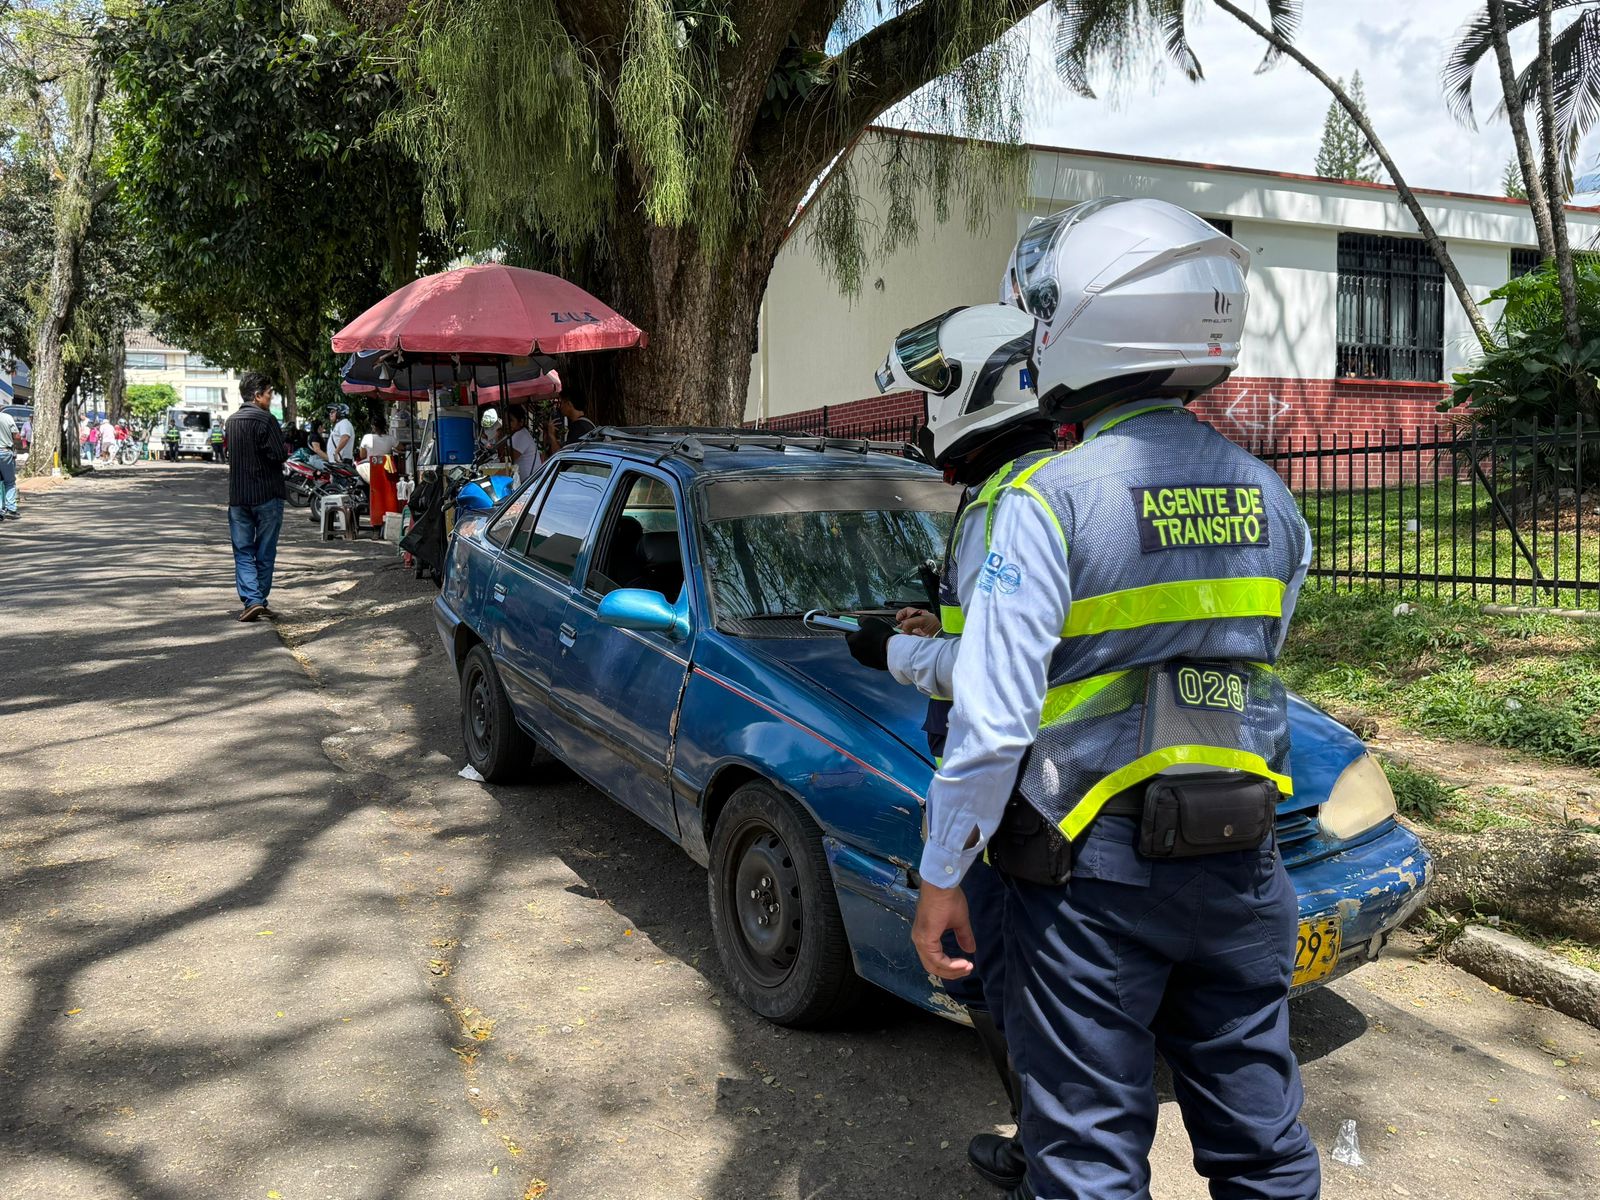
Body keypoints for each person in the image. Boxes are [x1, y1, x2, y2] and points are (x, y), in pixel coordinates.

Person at [881, 199, 1317, 1200]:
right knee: (1261, 1143)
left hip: (1088, 880)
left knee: (1086, 1156)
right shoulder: (1272, 498)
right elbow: (1246, 660)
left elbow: (994, 722)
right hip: (1244, 863)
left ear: (1081, 323)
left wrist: (942, 877)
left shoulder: (1047, 499)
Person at [847, 303, 1054, 1194]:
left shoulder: (1017, 498)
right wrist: (939, 622)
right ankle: (1047, 1144)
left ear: (984, 380)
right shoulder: (1022, 484)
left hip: (1013, 797)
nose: (927, 407)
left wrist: (894, 652)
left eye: (935, 386)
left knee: (1006, 985)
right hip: (1036, 792)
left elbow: (992, 683)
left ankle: (1051, 1160)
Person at [225, 371, 289, 622]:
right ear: (257, 395)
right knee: (265, 550)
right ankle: (256, 599)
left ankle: (254, 600)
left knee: (243, 551)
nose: (271, 397)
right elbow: (278, 454)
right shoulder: (266, 420)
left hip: (239, 497)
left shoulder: (231, 421)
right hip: (266, 495)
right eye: (269, 393)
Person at [505, 407, 542, 483]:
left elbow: (508, 459)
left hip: (529, 482)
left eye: (510, 420)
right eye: (505, 420)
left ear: (521, 422)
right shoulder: (520, 433)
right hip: (530, 480)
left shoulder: (520, 435)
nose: (506, 423)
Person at [0, 404, 21, 521]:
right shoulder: (7, 417)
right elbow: (16, 436)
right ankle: (11, 509)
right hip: (4, 452)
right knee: (9, 482)